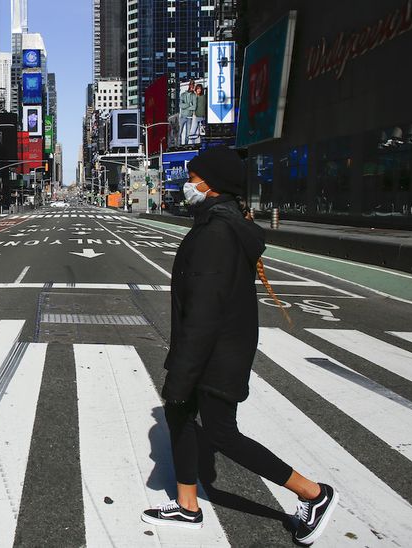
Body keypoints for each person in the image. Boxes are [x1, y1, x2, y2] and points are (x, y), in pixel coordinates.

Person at [141, 146, 338, 546]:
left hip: (216, 353)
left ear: (210, 185)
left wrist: (182, 372)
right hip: (215, 347)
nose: (187, 183)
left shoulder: (216, 234)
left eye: (193, 177)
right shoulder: (222, 224)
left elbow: (205, 311)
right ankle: (187, 505)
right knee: (178, 416)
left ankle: (312, 493)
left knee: (221, 432)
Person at [179, 80, 197, 145]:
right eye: (191, 85)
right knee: (179, 132)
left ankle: (185, 145)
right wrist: (189, 104)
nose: (192, 86)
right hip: (183, 116)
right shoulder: (183, 95)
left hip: (189, 117)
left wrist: (186, 106)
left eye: (193, 85)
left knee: (187, 134)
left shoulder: (194, 96)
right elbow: (181, 105)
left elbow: (194, 107)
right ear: (189, 85)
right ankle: (179, 145)